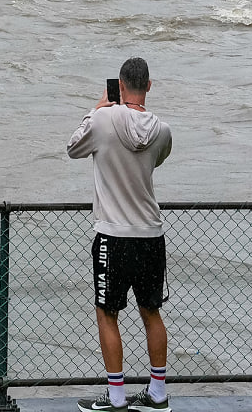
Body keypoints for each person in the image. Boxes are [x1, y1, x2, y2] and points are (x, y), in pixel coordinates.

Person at [67, 56, 174, 412]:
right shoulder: (162, 130)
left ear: (120, 85)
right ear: (149, 85)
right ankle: (157, 394)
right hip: (150, 233)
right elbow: (154, 161)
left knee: (107, 312)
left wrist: (96, 108)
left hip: (113, 235)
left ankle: (116, 397)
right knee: (151, 312)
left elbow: (73, 148)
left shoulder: (102, 119)